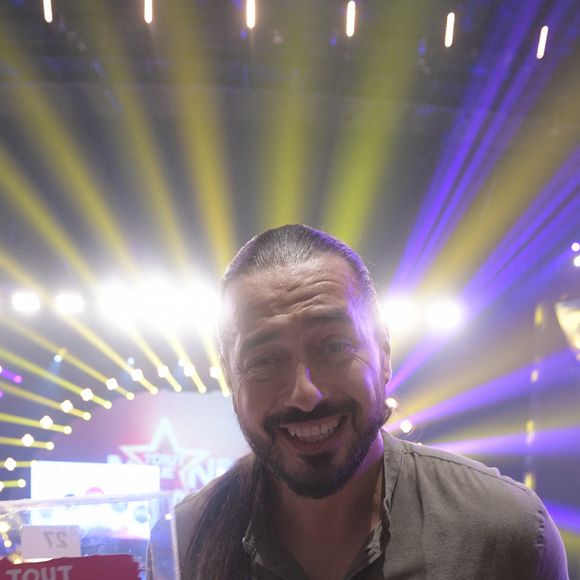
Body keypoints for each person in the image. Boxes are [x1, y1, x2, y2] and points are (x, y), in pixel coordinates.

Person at [162, 224, 569, 579]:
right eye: (265, 360)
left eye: (334, 346)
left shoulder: (504, 532)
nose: (305, 394)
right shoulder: (186, 540)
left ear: (384, 354)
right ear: (232, 378)